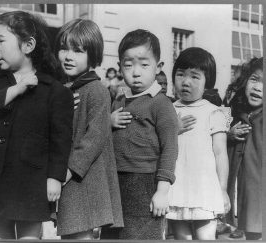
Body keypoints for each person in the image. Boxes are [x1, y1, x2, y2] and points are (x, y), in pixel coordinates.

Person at [0, 11, 74, 240]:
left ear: (28, 45)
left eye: (1, 40)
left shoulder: (55, 91)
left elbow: (61, 139)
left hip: (31, 181)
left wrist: (55, 177)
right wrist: (16, 89)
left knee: (29, 237)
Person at [54, 18, 123, 240]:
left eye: (78, 50)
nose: (68, 56)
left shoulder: (96, 90)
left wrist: (69, 170)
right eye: (64, 48)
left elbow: (96, 136)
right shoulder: (64, 89)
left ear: (92, 55)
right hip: (70, 175)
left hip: (83, 177)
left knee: (79, 233)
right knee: (70, 233)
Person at [110, 29, 178, 240]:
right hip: (116, 179)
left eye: (144, 64)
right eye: (128, 65)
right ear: (120, 67)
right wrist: (109, 121)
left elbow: (170, 148)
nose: (136, 72)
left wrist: (162, 191)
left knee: (142, 235)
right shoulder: (119, 99)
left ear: (158, 67)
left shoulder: (161, 103)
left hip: (145, 182)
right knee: (113, 235)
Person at [166, 47, 231, 240]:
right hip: (177, 185)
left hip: (204, 188)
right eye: (180, 75)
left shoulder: (214, 112)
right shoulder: (167, 110)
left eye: (195, 77)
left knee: (206, 237)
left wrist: (223, 190)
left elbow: (220, 153)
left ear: (207, 83)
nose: (186, 82)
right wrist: (172, 129)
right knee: (181, 238)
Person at [226, 57, 263, 240]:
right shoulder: (236, 112)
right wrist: (229, 135)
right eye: (254, 79)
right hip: (243, 193)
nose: (258, 87)